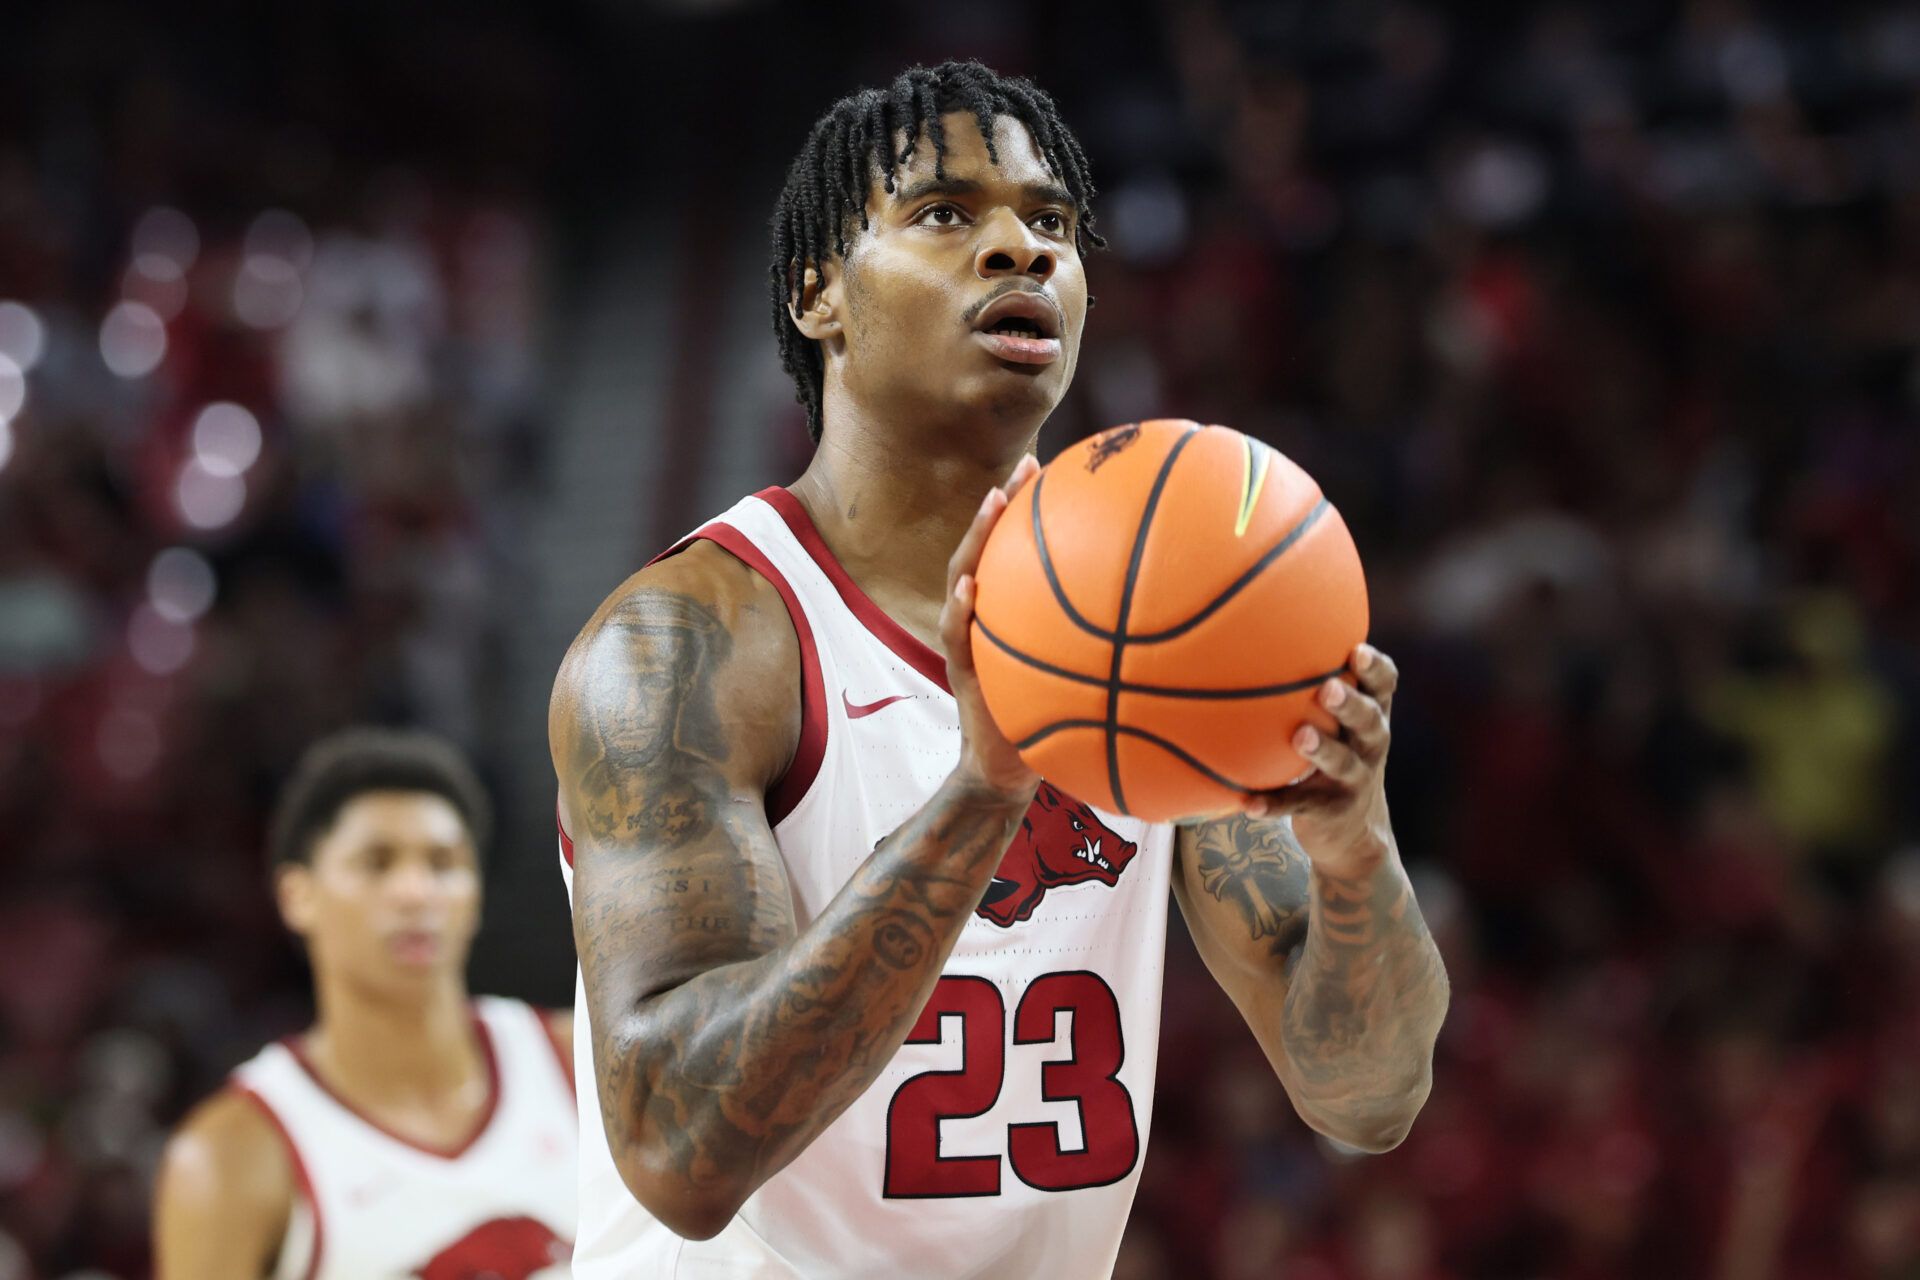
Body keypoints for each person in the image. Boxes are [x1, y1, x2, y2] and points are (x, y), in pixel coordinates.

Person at [551, 60, 1449, 1278]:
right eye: (945, 214)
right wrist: (982, 789)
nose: (1019, 249)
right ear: (820, 290)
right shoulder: (689, 644)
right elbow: (679, 1149)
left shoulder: (1161, 617)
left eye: (1053, 223)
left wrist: (1355, 855)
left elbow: (1365, 1093)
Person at [154, 728, 578, 1279]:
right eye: (378, 863)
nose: (416, 892)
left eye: (443, 863)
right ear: (297, 896)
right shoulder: (232, 1156)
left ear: (475, 895)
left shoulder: (582, 1064)